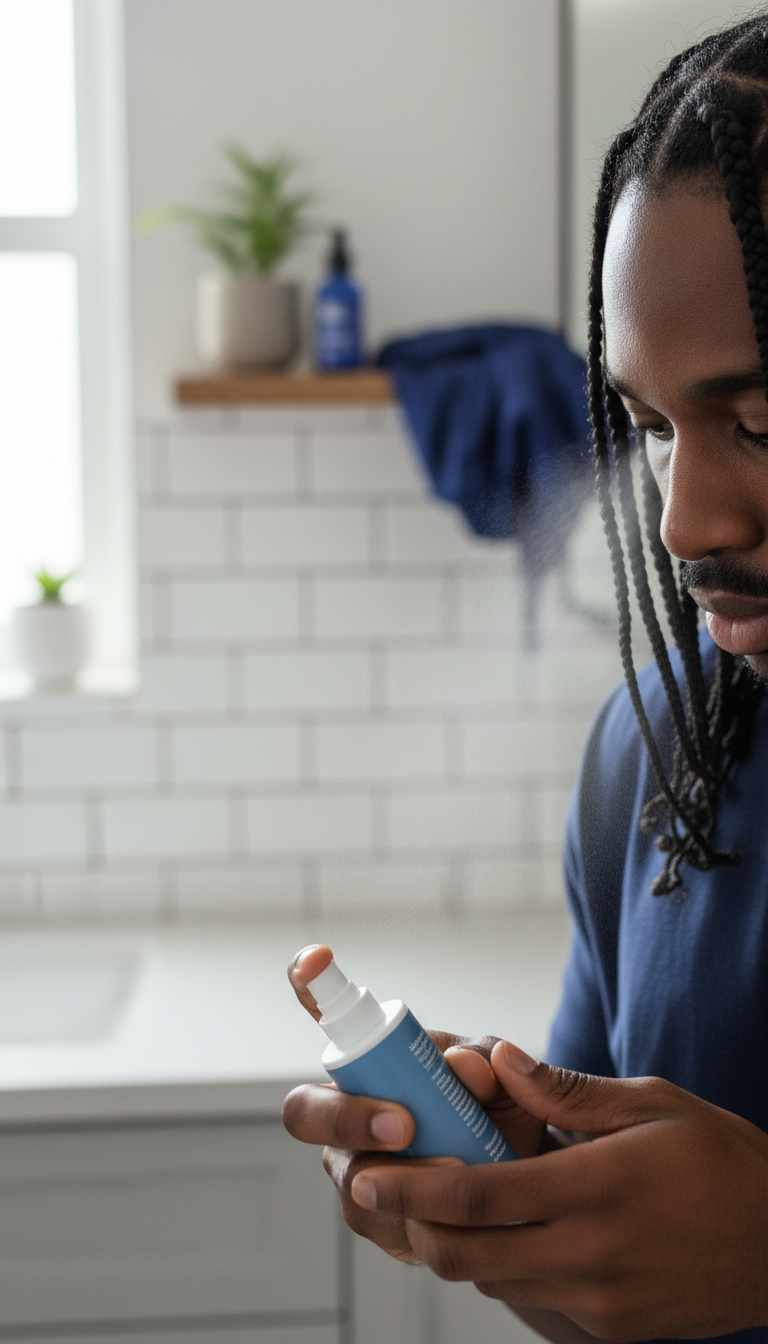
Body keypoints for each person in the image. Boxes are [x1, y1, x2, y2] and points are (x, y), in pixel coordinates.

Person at [282, 15, 768, 1344]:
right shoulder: (658, 751)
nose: (685, 523)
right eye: (656, 428)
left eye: (763, 424)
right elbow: (622, 1296)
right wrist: (505, 1204)